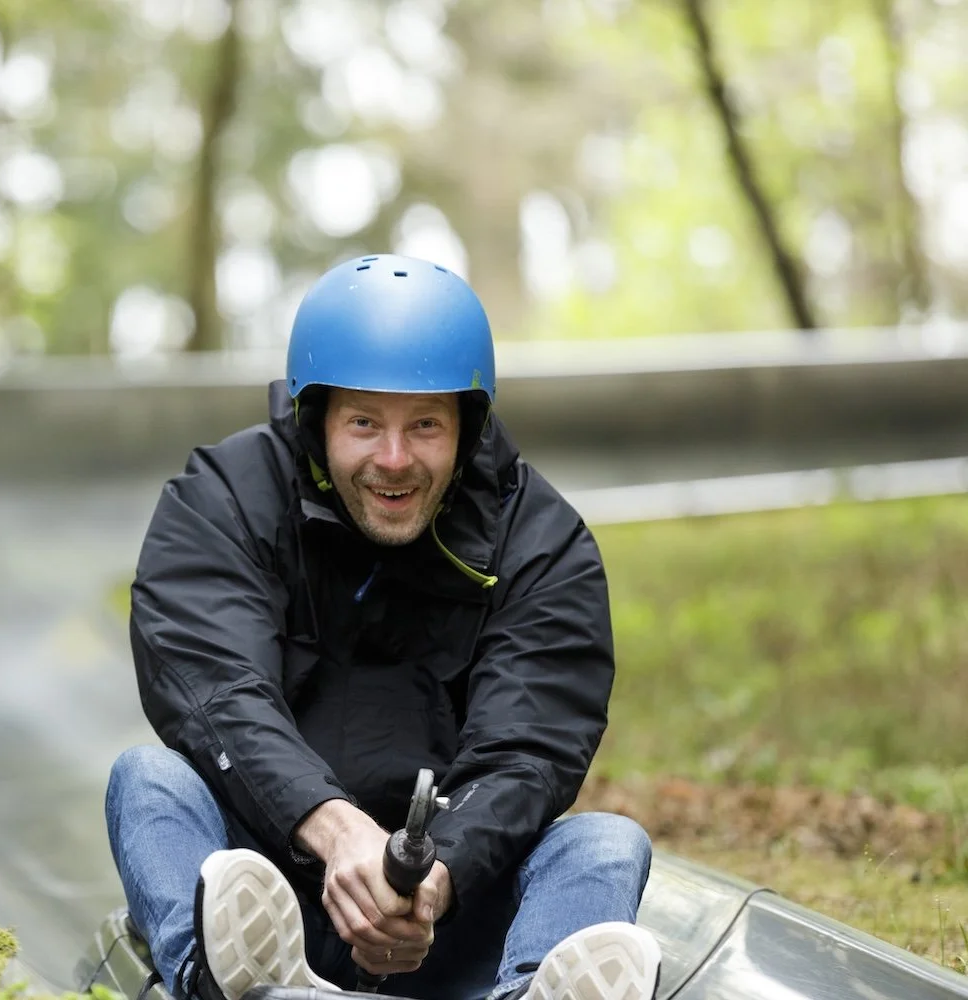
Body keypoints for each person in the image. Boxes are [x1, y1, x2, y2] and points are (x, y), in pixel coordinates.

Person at [104, 254, 661, 1000]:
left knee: (606, 844)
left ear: (467, 427)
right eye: (365, 422)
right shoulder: (224, 499)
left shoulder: (543, 541)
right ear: (318, 417)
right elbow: (216, 691)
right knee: (148, 782)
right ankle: (227, 983)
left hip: (447, 915)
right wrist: (334, 830)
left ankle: (528, 989)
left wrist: (436, 877)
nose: (394, 461)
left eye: (425, 425)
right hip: (269, 895)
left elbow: (530, 747)